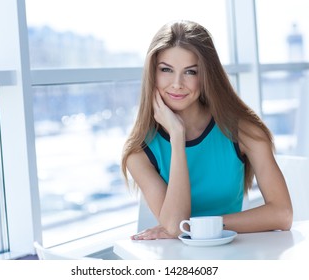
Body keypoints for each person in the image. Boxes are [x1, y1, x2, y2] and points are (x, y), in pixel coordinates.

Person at [121, 20, 293, 240]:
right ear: (152, 73)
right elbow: (174, 227)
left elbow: (282, 214)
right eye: (166, 70)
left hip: (236, 254)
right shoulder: (139, 151)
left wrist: (199, 226)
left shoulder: (242, 130)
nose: (177, 84)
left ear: (206, 76)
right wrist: (176, 136)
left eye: (190, 72)